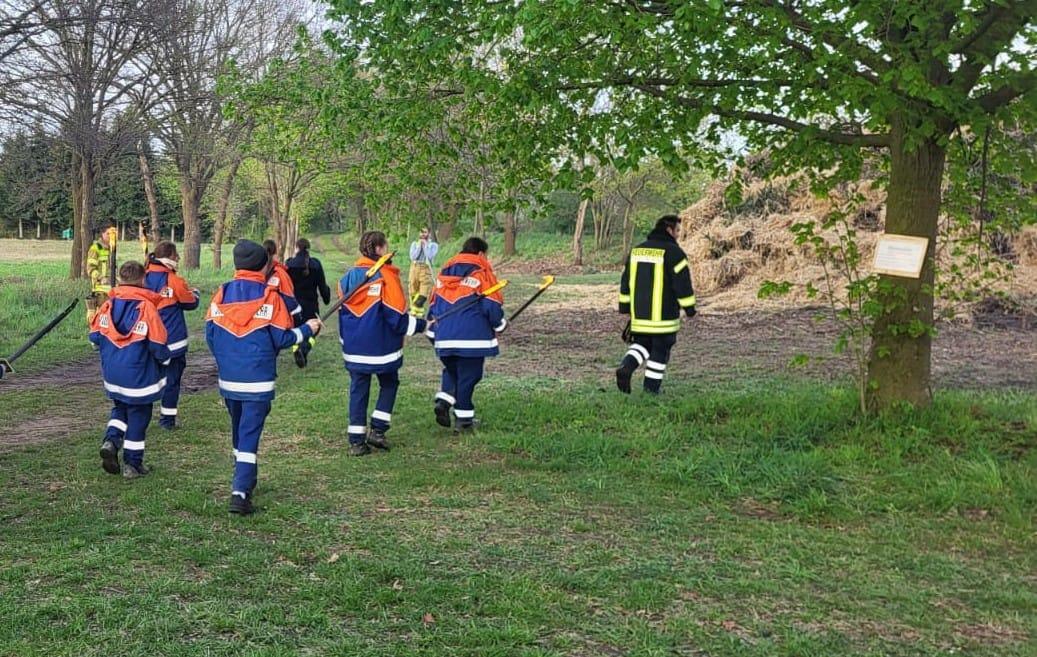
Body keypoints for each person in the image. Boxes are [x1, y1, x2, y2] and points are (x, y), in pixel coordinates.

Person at [206, 240, 322, 515]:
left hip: (229, 380)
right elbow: (283, 338)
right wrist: (308, 328)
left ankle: (245, 476)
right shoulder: (271, 297)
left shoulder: (220, 294)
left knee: (239, 429)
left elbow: (211, 334)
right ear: (264, 265)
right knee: (249, 434)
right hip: (258, 380)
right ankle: (240, 491)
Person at [338, 231, 427, 456]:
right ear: (378, 249)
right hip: (382, 348)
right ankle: (377, 431)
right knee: (389, 383)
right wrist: (421, 326)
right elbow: (396, 317)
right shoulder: (386, 276)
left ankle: (356, 442)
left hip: (354, 348)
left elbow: (343, 314)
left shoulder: (347, 277)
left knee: (358, 389)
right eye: (385, 245)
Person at [90, 260, 170, 479]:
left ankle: (111, 440)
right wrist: (165, 361)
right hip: (139, 377)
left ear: (120, 280)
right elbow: (158, 345)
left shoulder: (107, 306)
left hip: (113, 375)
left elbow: (94, 336)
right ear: (143, 280)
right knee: (138, 417)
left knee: (120, 409)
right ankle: (132, 464)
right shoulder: (147, 308)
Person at [426, 236, 506, 433]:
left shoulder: (443, 275)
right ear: (480, 253)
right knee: (470, 375)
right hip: (472, 338)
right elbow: (491, 305)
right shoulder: (482, 273)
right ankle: (464, 421)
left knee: (454, 371)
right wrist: (500, 323)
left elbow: (433, 305)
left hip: (443, 336)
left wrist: (433, 332)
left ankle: (444, 402)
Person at [615, 214, 697, 395]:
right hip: (664, 316)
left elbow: (625, 280)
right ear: (668, 230)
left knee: (642, 343)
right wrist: (689, 309)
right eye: (677, 231)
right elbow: (682, 284)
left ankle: (626, 367)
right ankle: (651, 391)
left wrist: (625, 307)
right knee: (661, 349)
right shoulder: (675, 253)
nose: (678, 235)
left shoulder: (637, 251)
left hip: (640, 314)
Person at [144, 241, 200, 429]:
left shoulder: (143, 276)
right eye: (176, 255)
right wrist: (196, 294)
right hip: (173, 342)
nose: (179, 259)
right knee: (172, 381)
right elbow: (190, 302)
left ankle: (140, 417)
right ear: (170, 257)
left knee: (147, 379)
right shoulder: (173, 280)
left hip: (148, 340)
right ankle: (167, 420)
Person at [285, 238, 331, 368]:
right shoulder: (316, 264)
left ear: (296, 248)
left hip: (294, 308)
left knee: (297, 330)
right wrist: (326, 298)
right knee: (314, 331)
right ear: (308, 249)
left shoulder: (289, 265)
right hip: (311, 307)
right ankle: (304, 349)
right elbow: (323, 286)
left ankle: (296, 350)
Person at [264, 239, 303, 326]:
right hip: (278, 321)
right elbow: (289, 297)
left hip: (260, 323)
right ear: (276, 253)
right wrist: (299, 317)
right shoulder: (280, 273)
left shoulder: (257, 270)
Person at [85, 224, 117, 323]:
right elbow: (90, 269)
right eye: (108, 234)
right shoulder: (96, 248)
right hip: (101, 290)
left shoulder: (112, 249)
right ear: (102, 234)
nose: (111, 236)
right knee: (99, 316)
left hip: (112, 289)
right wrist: (100, 278)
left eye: (113, 234)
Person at [407, 226, 439, 317]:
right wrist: (419, 246)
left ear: (429, 233)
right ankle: (419, 313)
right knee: (413, 290)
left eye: (425, 232)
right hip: (414, 267)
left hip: (426, 268)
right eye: (421, 232)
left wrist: (425, 245)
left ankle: (412, 311)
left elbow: (429, 255)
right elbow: (413, 257)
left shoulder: (433, 245)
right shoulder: (414, 244)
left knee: (424, 292)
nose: (422, 234)